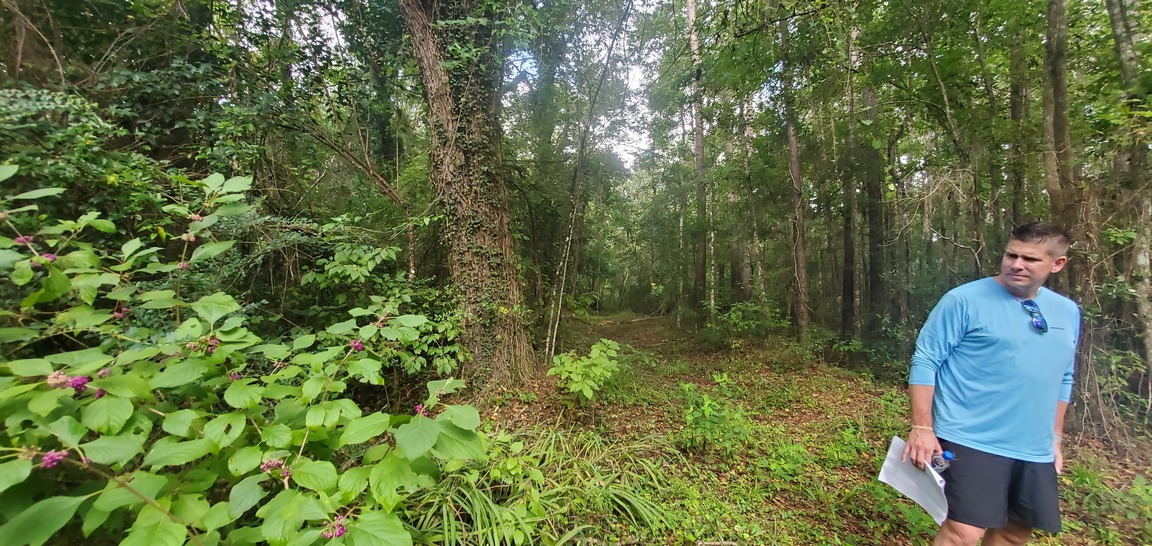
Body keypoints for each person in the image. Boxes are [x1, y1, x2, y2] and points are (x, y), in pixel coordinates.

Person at [902, 222, 1080, 546]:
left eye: (1030, 259)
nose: (1016, 264)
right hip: (969, 437)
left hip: (1033, 447)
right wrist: (923, 428)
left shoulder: (1068, 312)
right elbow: (926, 359)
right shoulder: (964, 300)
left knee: (1014, 533)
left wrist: (1055, 437)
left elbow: (1064, 376)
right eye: (1011, 254)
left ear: (1057, 264)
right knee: (963, 533)